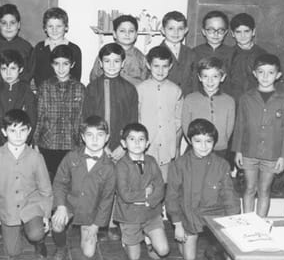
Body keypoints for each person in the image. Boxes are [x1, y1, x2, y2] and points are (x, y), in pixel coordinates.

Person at [81, 42, 138, 240]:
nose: (111, 65)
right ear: (100, 63)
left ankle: (114, 222)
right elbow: (86, 118)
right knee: (97, 185)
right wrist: (100, 146)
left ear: (123, 63)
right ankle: (97, 223)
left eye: (116, 61)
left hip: (120, 147)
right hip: (97, 146)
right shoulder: (92, 88)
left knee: (118, 185)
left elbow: (133, 121)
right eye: (107, 61)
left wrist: (123, 146)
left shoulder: (129, 89)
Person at [166, 119, 240, 260]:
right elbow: (172, 196)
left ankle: (213, 247)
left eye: (208, 141)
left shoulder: (222, 164)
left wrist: (233, 221)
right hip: (189, 214)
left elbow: (229, 195)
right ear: (190, 141)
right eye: (198, 141)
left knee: (228, 252)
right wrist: (177, 224)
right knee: (189, 258)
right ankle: (183, 240)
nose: (204, 146)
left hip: (215, 214)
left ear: (214, 142)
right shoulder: (179, 165)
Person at [0, 109, 53, 260]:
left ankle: (39, 241)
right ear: (4, 132)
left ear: (29, 131)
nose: (18, 135)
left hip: (31, 206)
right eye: (13, 131)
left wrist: (46, 215)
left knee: (36, 233)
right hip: (8, 209)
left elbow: (45, 189)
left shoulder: (36, 157)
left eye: (22, 130)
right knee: (12, 252)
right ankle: (19, 230)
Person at [232, 54, 284, 217]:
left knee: (264, 190)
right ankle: (248, 222)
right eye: (261, 72)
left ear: (278, 75)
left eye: (270, 72)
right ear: (254, 73)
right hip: (249, 152)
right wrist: (238, 151)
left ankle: (260, 223)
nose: (265, 77)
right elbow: (240, 125)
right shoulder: (246, 98)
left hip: (272, 154)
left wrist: (283, 157)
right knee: (249, 188)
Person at [50, 116, 116, 260]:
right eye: (90, 135)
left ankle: (84, 230)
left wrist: (96, 226)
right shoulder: (71, 157)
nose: (95, 140)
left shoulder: (109, 168)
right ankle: (61, 246)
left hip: (90, 211)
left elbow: (106, 200)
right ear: (83, 137)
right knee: (57, 223)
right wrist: (60, 206)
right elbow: (59, 183)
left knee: (88, 253)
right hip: (69, 203)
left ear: (107, 138)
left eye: (100, 135)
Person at [113, 123, 169, 260]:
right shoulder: (121, 165)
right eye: (132, 139)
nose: (137, 143)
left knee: (162, 251)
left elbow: (160, 186)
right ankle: (127, 240)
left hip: (151, 213)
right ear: (124, 143)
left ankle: (148, 238)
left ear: (147, 143)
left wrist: (150, 201)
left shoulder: (151, 161)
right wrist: (145, 192)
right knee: (134, 257)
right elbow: (125, 195)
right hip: (129, 216)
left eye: (141, 139)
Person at [35, 44, 86, 181]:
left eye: (65, 64)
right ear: (52, 65)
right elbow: (39, 116)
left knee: (69, 182)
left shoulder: (80, 89)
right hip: (48, 143)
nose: (61, 68)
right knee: (49, 181)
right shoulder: (44, 87)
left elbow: (81, 118)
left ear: (72, 64)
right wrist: (35, 143)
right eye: (57, 64)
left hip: (71, 144)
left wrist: (82, 145)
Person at [136, 44, 182, 182]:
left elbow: (178, 120)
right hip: (146, 149)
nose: (160, 71)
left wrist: (176, 145)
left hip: (167, 149)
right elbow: (137, 118)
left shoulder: (176, 90)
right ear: (148, 65)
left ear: (170, 66)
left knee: (163, 183)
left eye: (165, 66)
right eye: (156, 66)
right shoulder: (140, 90)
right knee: (145, 183)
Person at [181, 57, 236, 162]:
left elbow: (229, 129)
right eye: (205, 76)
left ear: (222, 77)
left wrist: (221, 143)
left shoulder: (229, 101)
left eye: (215, 76)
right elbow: (186, 125)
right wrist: (196, 144)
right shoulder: (190, 99)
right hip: (196, 149)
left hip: (220, 150)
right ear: (199, 77)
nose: (210, 81)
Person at [0, 50, 37, 152]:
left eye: (13, 68)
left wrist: (21, 144)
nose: (8, 73)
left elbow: (32, 122)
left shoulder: (27, 92)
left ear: (20, 69)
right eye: (4, 69)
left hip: (21, 145)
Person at [28, 7, 83, 89]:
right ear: (45, 28)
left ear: (66, 27)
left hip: (66, 93)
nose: (54, 30)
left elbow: (76, 77)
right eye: (50, 26)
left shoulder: (74, 49)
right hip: (43, 93)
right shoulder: (39, 48)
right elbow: (32, 73)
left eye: (58, 26)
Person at [89, 14, 149, 85]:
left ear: (136, 34)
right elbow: (94, 79)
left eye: (131, 31)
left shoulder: (141, 58)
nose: (127, 34)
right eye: (122, 31)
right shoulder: (105, 53)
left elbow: (145, 84)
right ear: (114, 34)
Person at [0, 3, 34, 89]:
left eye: (12, 23)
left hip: (20, 91)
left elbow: (29, 74)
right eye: (4, 23)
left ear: (19, 25)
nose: (8, 27)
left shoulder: (27, 47)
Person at [225, 12, 267, 103]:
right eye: (238, 32)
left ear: (253, 32)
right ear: (232, 33)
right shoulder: (228, 56)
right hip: (233, 102)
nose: (243, 36)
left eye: (246, 31)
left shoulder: (262, 55)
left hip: (256, 102)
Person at [159, 10, 196, 95]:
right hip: (164, 98)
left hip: (187, 98)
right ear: (163, 30)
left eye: (180, 29)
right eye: (171, 28)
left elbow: (195, 81)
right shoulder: (155, 53)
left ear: (186, 30)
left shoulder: (191, 53)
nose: (176, 32)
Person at [192, 10, 233, 83]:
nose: (216, 34)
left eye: (220, 30)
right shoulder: (194, 53)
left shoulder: (233, 53)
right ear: (204, 31)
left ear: (226, 32)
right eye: (211, 30)